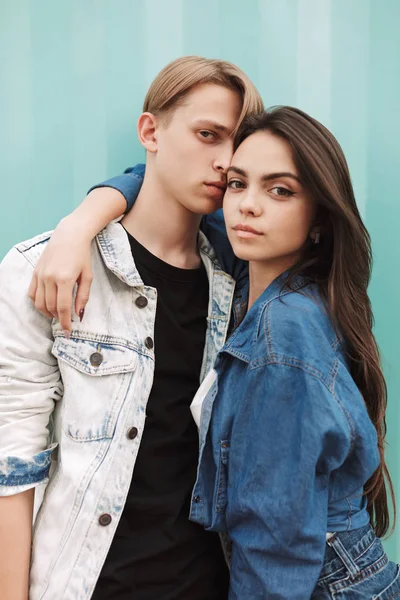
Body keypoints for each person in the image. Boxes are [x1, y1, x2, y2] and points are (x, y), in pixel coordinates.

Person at [31, 106, 399, 599]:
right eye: (237, 183)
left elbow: (276, 544)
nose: (248, 205)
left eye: (280, 190)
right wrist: (79, 224)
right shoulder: (262, 277)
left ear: (318, 220)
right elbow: (156, 177)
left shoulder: (282, 331)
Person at [0, 56, 263, 600]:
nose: (223, 163)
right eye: (207, 134)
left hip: (212, 582)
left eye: (236, 146)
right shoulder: (46, 269)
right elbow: (11, 462)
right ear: (150, 131)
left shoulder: (241, 279)